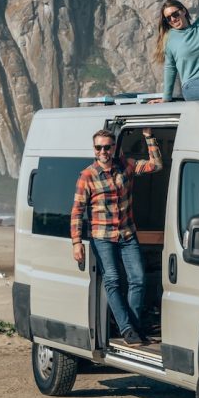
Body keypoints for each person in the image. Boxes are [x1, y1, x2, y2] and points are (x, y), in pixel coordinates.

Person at [71, 127, 163, 346]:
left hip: (127, 233)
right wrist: (77, 243)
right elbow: (77, 211)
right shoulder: (87, 176)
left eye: (107, 147)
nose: (103, 151)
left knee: (138, 280)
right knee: (112, 280)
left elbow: (156, 165)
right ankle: (128, 329)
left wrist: (149, 136)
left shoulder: (126, 166)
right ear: (94, 150)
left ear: (114, 148)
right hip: (102, 237)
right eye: (98, 147)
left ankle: (133, 327)